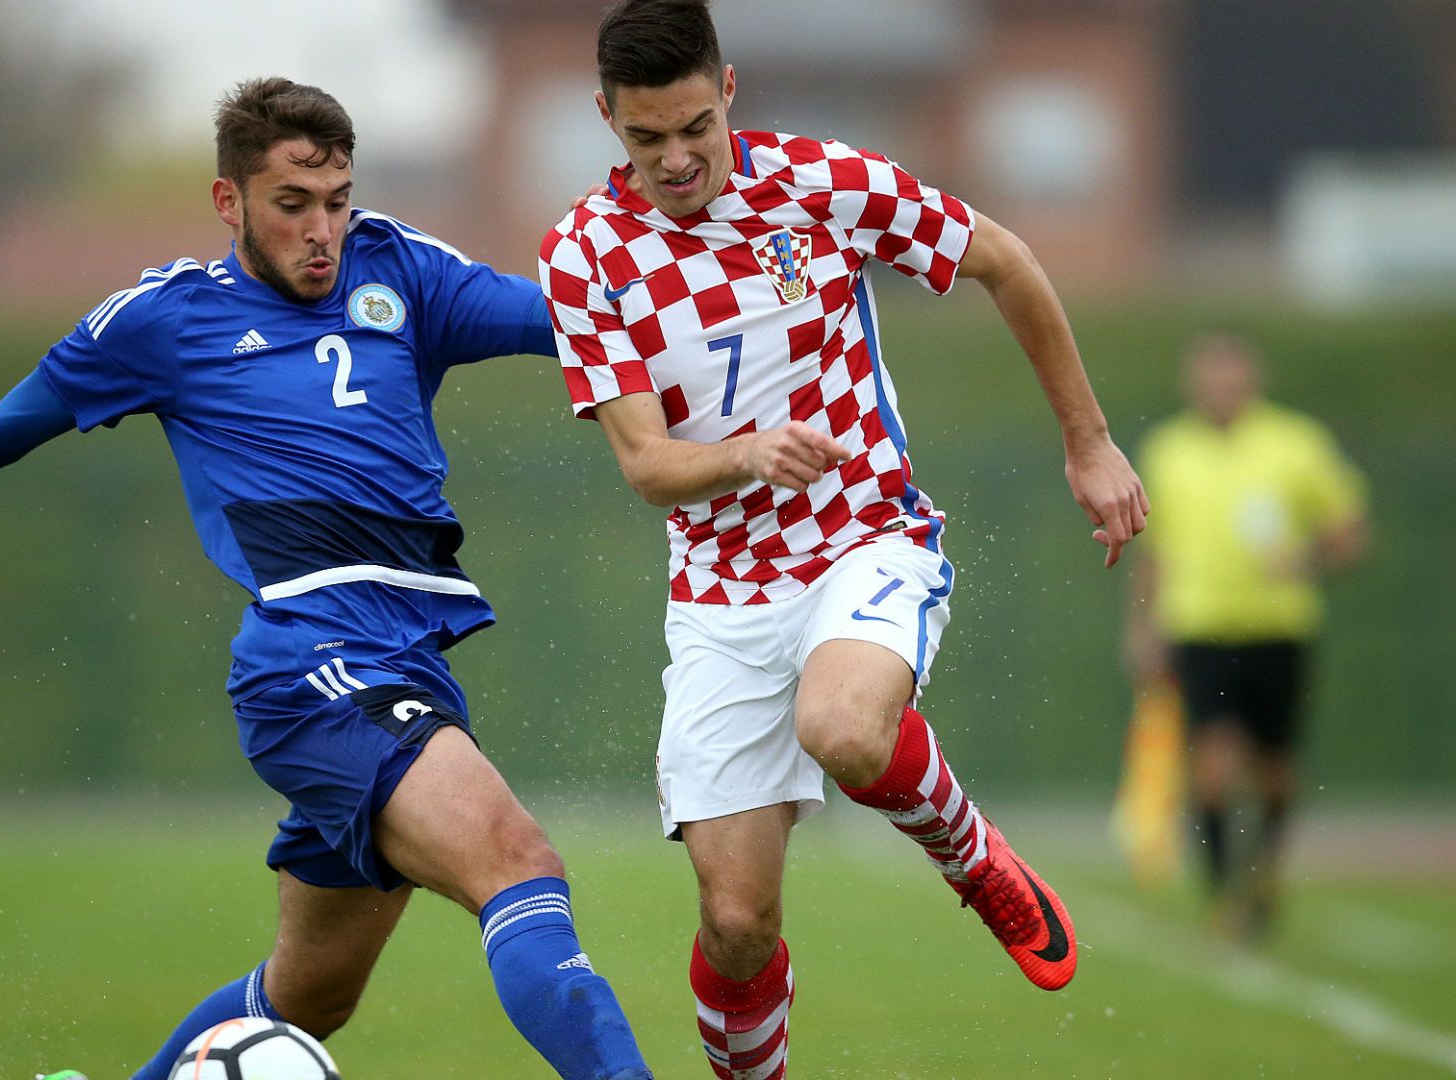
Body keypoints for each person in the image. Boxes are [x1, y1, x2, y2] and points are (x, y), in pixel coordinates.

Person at [0, 77, 652, 1080]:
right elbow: (4, 430)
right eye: (292, 205)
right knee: (520, 862)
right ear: (230, 202)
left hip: (406, 659)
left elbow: (571, 322)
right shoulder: (165, 320)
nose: (322, 230)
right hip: (313, 665)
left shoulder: (398, 270)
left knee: (309, 996)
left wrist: (707, 302)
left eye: (337, 201)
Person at [538, 2, 1149, 1073]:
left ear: (728, 91)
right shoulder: (584, 257)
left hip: (864, 535)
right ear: (606, 119)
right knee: (736, 923)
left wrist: (1089, 443)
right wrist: (744, 453)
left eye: (693, 127)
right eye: (645, 138)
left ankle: (970, 855)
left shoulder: (825, 185)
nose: (676, 159)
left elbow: (1004, 261)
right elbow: (645, 466)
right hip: (721, 595)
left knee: (846, 727)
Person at [1126, 333, 1367, 937]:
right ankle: (1222, 891)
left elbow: (1349, 532)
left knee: (1275, 771)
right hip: (1200, 626)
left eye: (1231, 379)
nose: (1221, 390)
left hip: (1281, 627)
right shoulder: (1168, 449)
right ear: (1193, 384)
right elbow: (1154, 550)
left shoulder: (1297, 443)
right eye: (1210, 379)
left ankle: (1266, 872)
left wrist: (1306, 561)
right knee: (1210, 762)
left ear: (1253, 381)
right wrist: (1144, 623)